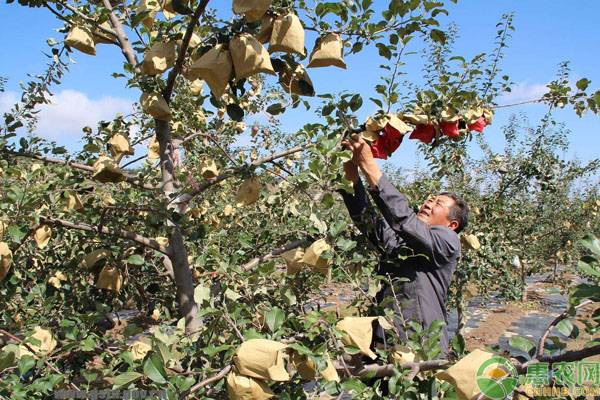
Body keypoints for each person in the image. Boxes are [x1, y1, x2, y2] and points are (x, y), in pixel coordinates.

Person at [339, 134, 469, 355]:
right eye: (430, 199)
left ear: (452, 224)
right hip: (385, 343)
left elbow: (405, 222)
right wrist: (349, 169)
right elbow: (368, 220)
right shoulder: (402, 244)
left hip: (423, 347)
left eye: (438, 204)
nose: (429, 202)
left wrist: (369, 165)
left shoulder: (447, 241)